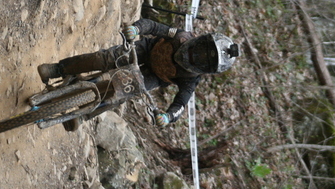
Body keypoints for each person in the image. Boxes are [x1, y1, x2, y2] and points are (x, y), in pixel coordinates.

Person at [37, 18, 240, 127]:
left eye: (204, 60)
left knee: (117, 94)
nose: (198, 57)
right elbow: (152, 25)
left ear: (207, 71)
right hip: (144, 50)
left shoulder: (192, 79)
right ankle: (57, 69)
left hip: (151, 78)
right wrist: (136, 29)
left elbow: (180, 104)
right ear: (200, 39)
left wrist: (168, 117)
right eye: (201, 51)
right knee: (104, 59)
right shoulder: (180, 36)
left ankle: (82, 117)